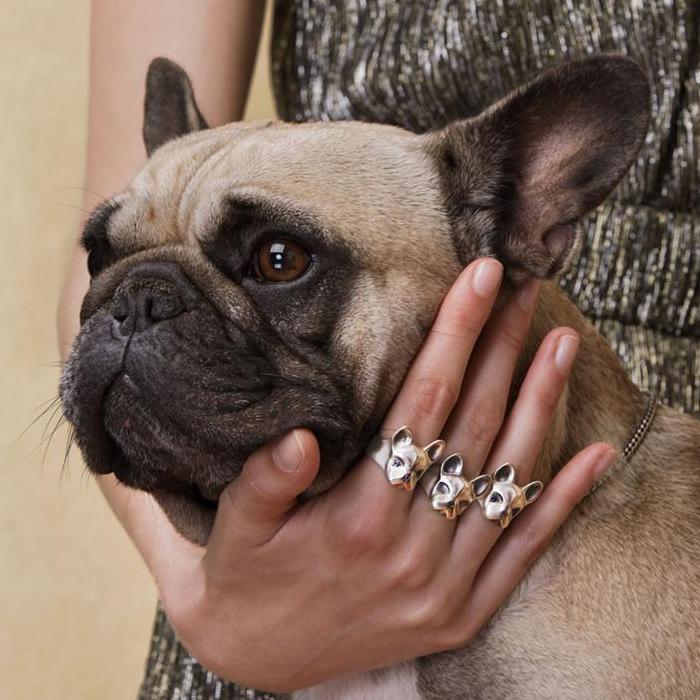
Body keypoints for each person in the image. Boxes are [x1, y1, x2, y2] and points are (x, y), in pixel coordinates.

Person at [57, 1, 698, 698]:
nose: (135, 317)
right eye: (109, 261)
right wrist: (211, 608)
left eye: (277, 261)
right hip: (259, 612)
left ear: (515, 210)